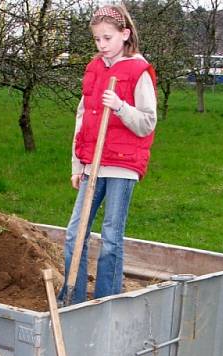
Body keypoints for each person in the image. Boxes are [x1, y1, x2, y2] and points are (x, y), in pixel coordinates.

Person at [58, 4, 157, 304]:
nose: (101, 45)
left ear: (125, 35)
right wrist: (78, 164)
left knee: (111, 238)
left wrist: (120, 107)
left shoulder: (139, 71)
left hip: (122, 166)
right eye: (97, 39)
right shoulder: (94, 67)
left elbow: (147, 123)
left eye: (107, 38)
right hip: (93, 164)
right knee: (75, 235)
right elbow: (82, 117)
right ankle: (72, 296)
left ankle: (107, 300)